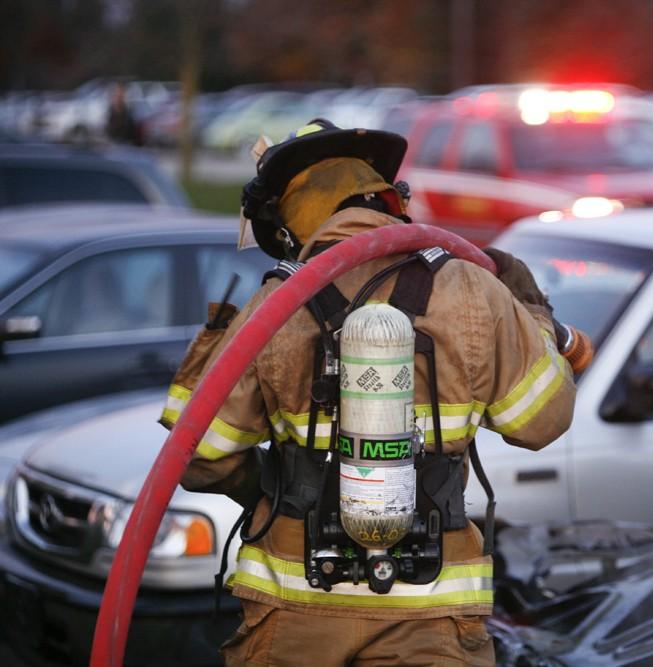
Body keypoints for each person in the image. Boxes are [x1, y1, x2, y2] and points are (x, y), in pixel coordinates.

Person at [160, 120, 577, 666]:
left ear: (289, 225)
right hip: (434, 612)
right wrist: (537, 322)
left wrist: (275, 486)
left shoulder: (274, 307)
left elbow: (195, 456)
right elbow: (543, 421)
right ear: (387, 198)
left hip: (296, 612)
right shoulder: (475, 289)